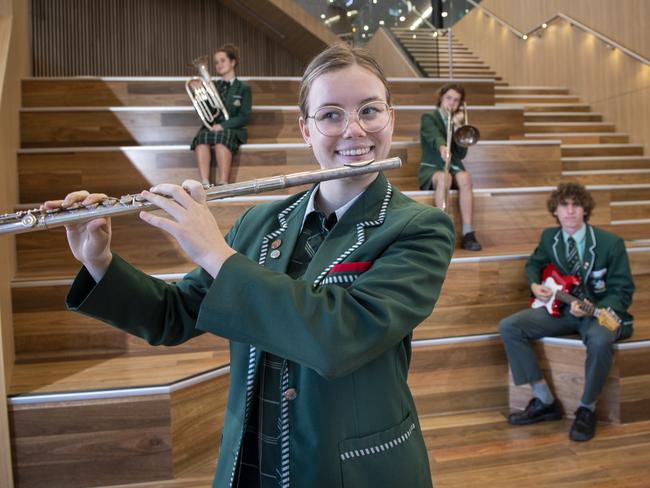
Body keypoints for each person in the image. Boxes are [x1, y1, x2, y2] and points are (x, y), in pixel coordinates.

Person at [47, 44, 454, 488]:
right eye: (331, 115)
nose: (354, 130)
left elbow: (341, 337)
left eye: (370, 111)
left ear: (390, 118)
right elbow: (172, 316)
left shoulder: (419, 228)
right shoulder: (261, 221)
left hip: (353, 469)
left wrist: (215, 254)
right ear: (305, 129)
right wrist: (99, 260)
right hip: (251, 463)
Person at [498, 183, 634, 442]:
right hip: (560, 309)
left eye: (576, 205)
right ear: (556, 211)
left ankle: (587, 409)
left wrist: (596, 309)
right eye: (564, 205)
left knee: (601, 339)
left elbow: (622, 290)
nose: (570, 211)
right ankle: (544, 400)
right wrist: (534, 285)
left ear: (585, 210)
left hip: (595, 313)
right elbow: (534, 264)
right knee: (509, 326)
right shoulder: (550, 237)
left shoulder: (610, 243)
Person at [418, 83, 481, 251]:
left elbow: (461, 155)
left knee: (465, 177)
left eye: (456, 100)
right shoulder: (429, 118)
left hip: (453, 168)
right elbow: (433, 136)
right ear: (441, 98)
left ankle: (467, 233)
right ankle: (441, 232)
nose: (451, 103)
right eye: (448, 98)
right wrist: (442, 147)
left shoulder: (456, 122)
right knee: (444, 177)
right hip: (432, 169)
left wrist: (459, 127)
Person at [190, 43, 252, 187]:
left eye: (222, 60)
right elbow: (208, 112)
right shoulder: (212, 86)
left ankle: (224, 182)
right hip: (212, 126)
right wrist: (199, 93)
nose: (218, 64)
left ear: (233, 62)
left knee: (221, 138)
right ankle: (204, 182)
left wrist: (223, 126)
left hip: (232, 128)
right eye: (216, 62)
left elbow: (244, 116)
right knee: (201, 138)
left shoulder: (243, 88)